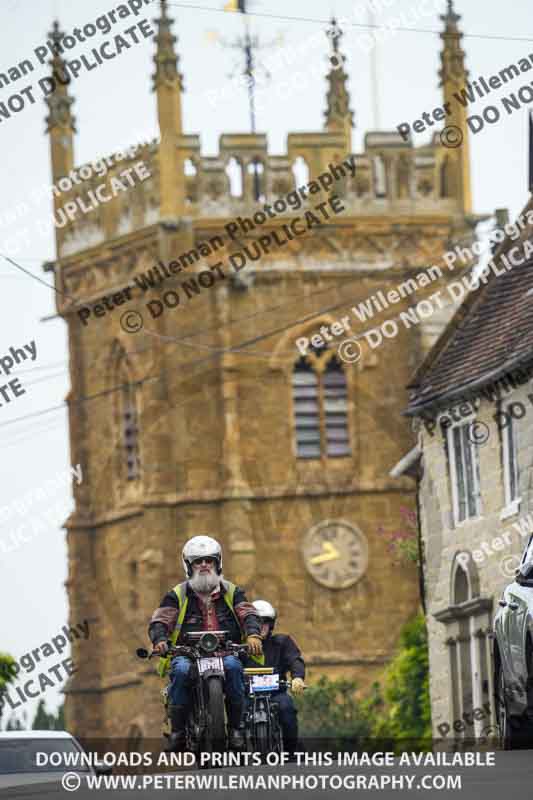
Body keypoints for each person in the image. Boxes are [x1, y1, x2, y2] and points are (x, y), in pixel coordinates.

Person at [148, 535, 262, 751]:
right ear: (188, 566)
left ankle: (237, 728)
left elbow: (248, 613)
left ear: (218, 563)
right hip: (187, 654)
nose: (203, 565)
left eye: (208, 560)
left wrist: (254, 634)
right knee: (180, 671)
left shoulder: (232, 591)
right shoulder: (177, 594)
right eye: (197, 561)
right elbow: (160, 620)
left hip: (226, 652)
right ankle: (178, 732)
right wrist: (160, 640)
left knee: (234, 668)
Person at [248, 599, 306, 757]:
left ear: (271, 625)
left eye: (264, 623)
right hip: (245, 696)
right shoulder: (238, 646)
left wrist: (298, 678)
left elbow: (295, 660)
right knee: (234, 715)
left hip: (276, 694)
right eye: (256, 623)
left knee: (287, 708)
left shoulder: (282, 643)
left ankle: (290, 752)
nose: (260, 627)